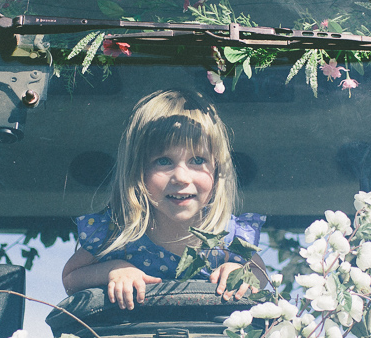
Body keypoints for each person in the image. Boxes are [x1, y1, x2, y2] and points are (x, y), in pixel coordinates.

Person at [62, 90, 265, 309]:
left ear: (217, 171)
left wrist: (239, 272)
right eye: (163, 161)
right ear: (137, 171)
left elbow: (261, 275)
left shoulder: (226, 237)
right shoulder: (118, 232)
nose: (181, 177)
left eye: (197, 160)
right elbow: (71, 278)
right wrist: (114, 269)